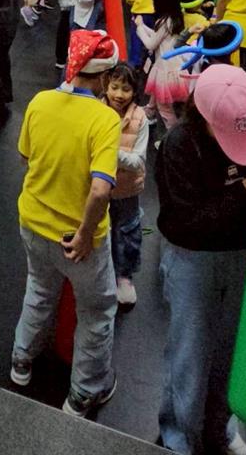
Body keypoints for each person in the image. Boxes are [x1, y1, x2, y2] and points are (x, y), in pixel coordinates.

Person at [155, 63, 246, 455]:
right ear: (204, 117)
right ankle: (178, 438)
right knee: (189, 354)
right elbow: (185, 223)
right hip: (193, 257)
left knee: (231, 349)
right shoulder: (179, 146)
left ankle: (219, 428)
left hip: (243, 254)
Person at [11, 30, 120, 417]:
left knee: (39, 289)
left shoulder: (40, 101)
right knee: (97, 311)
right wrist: (86, 233)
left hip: (32, 221)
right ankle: (83, 394)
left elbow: (26, 158)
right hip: (77, 239)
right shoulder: (105, 120)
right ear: (104, 78)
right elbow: (101, 190)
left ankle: (21, 360)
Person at [102, 62, 149, 308]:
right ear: (106, 86)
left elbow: (138, 161)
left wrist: (109, 152)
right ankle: (102, 272)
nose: (119, 94)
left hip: (127, 189)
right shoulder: (95, 111)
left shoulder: (140, 119)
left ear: (135, 91)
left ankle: (124, 276)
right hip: (98, 185)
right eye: (114, 87)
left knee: (127, 231)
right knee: (99, 229)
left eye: (126, 89)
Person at [135, 0, 189, 130]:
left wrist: (139, 27)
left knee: (165, 109)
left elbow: (151, 44)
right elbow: (159, 37)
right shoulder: (175, 18)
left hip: (166, 68)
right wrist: (143, 27)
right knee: (159, 94)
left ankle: (172, 135)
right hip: (175, 65)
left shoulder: (164, 21)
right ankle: (150, 110)